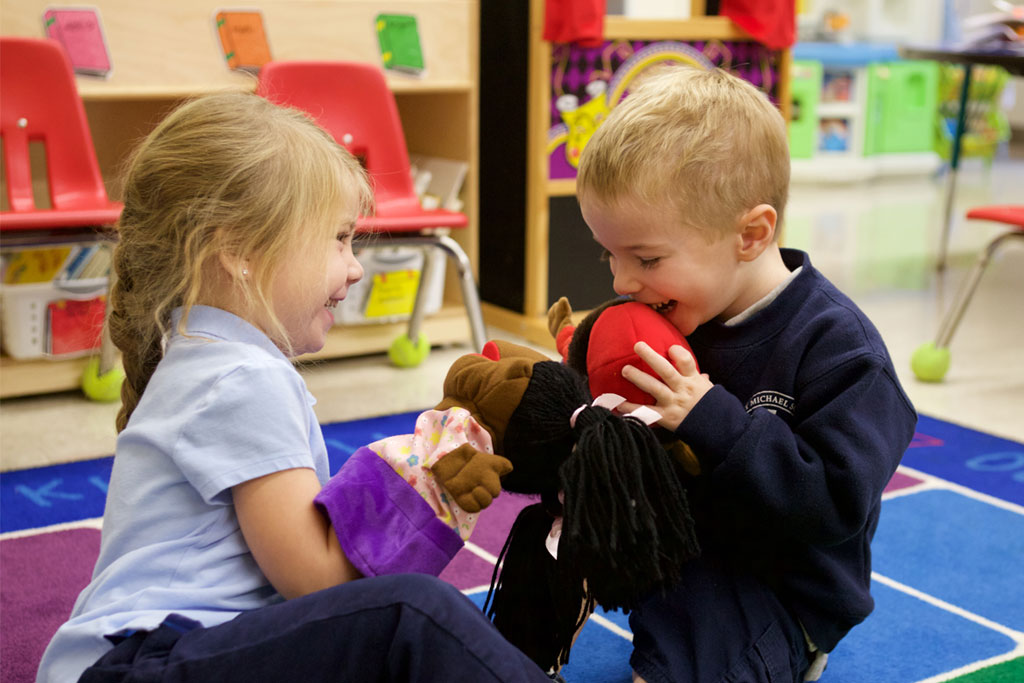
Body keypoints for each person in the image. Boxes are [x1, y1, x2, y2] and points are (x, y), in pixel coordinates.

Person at [37, 92, 550, 683]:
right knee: (411, 613)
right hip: (146, 664)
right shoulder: (242, 377)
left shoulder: (204, 357)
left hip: (153, 658)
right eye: (337, 239)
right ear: (239, 250)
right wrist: (426, 485)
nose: (355, 266)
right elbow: (316, 582)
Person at [575, 66, 917, 683]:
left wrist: (715, 420)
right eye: (610, 255)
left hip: (781, 587)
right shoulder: (677, 307)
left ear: (751, 235)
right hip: (690, 550)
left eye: (646, 258)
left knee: (692, 657)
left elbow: (834, 507)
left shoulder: (842, 351)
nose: (622, 283)